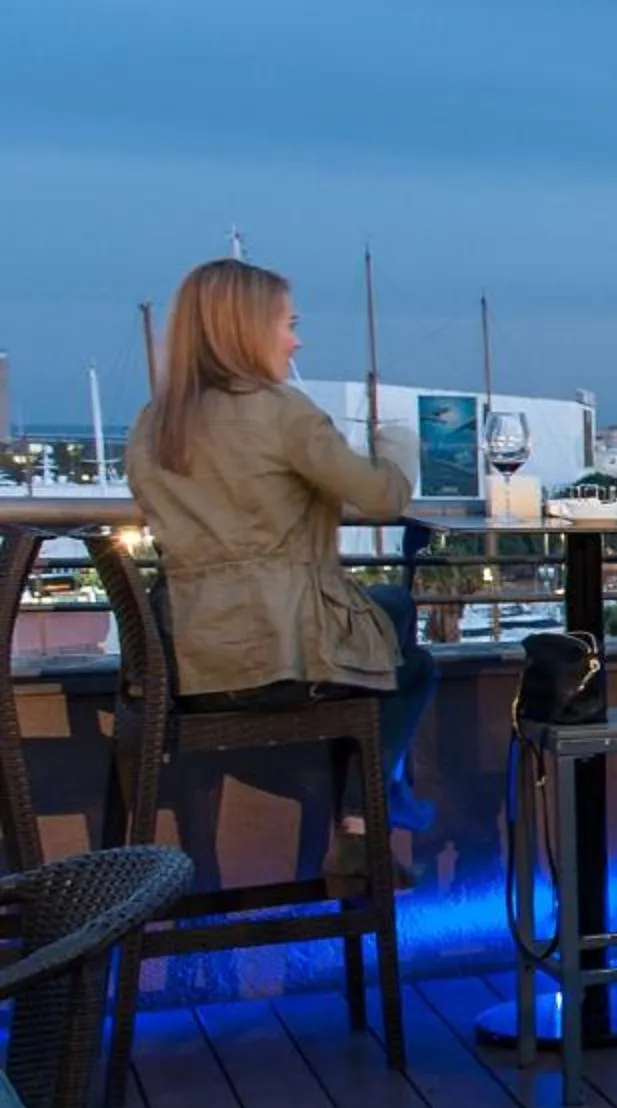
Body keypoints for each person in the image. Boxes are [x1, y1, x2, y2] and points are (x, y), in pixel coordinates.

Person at [124, 257, 435, 888]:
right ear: (246, 329)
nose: (296, 340)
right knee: (414, 662)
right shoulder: (281, 412)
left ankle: (368, 808)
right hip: (281, 662)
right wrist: (401, 442)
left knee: (391, 616)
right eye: (287, 325)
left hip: (188, 664)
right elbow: (380, 498)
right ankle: (363, 815)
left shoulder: (152, 423)